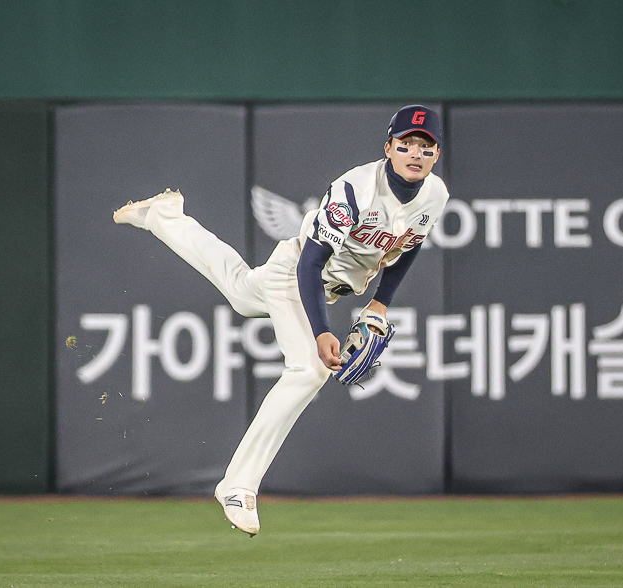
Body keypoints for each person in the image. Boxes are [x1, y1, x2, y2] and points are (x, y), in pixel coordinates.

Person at [113, 105, 450, 536]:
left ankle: (164, 216)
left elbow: (407, 248)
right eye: (406, 145)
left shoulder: (435, 194)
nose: (415, 153)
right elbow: (310, 263)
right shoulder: (355, 189)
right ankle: (237, 485)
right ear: (388, 148)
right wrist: (322, 330)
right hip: (300, 273)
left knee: (239, 291)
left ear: (436, 154)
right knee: (309, 371)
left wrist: (380, 304)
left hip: (326, 283)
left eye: (426, 147)